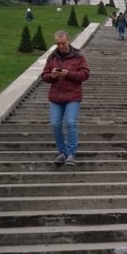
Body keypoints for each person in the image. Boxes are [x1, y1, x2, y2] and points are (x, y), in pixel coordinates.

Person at [40, 31, 90, 165]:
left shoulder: (78, 56)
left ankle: (71, 154)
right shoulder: (52, 57)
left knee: (71, 123)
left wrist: (69, 74)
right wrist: (52, 76)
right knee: (55, 124)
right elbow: (44, 76)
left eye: (63, 43)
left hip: (72, 95)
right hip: (56, 97)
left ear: (68, 40)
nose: (61, 46)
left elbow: (85, 74)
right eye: (58, 44)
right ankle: (62, 152)